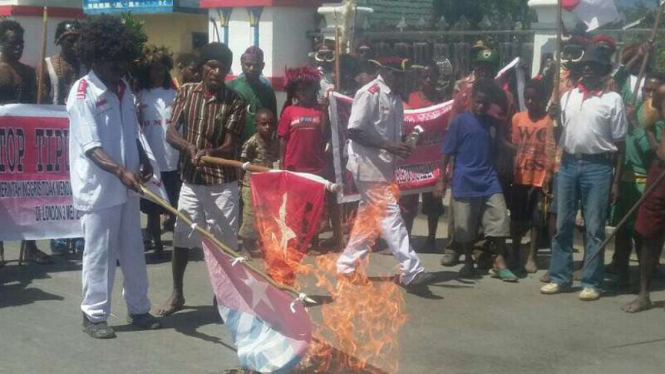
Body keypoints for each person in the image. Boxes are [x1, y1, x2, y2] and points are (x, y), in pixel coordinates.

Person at [68, 15, 162, 339]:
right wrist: (120, 171)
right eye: (113, 60)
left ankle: (139, 309)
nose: (118, 67)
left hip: (128, 186)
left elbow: (132, 133)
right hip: (99, 190)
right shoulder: (83, 93)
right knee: (100, 254)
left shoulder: (124, 89)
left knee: (133, 251)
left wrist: (143, 161)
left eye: (123, 60)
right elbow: (91, 147)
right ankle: (94, 315)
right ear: (96, 57)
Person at [157, 42, 246, 316]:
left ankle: (224, 297)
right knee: (182, 237)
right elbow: (171, 133)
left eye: (222, 68)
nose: (216, 72)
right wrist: (189, 148)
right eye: (211, 66)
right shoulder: (186, 93)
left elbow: (230, 145)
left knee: (224, 244)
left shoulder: (235, 102)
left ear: (228, 71)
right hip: (191, 181)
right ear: (203, 67)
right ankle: (177, 294)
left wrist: (209, 152)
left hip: (222, 184)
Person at [336, 58, 435, 290]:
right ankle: (412, 270)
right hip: (367, 166)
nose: (400, 78)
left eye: (403, 74)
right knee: (391, 215)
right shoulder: (369, 93)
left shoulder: (396, 99)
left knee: (367, 223)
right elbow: (354, 131)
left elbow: (392, 137)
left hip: (383, 167)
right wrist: (388, 146)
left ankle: (346, 266)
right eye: (396, 74)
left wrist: (404, 143)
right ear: (383, 71)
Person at [541, 45, 627, 301]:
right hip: (568, 164)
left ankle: (592, 281)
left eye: (594, 66)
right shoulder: (567, 97)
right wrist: (555, 119)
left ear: (604, 71)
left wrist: (616, 181)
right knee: (563, 223)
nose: (588, 69)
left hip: (599, 167)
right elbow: (559, 137)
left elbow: (621, 145)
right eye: (585, 65)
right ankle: (560, 277)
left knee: (594, 227)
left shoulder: (613, 99)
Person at [434, 79, 518, 282]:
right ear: (472, 100)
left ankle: (499, 261)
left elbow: (499, 143)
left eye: (485, 104)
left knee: (499, 218)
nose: (481, 107)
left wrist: (518, 150)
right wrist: (441, 181)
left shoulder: (492, 123)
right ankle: (469, 261)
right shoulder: (459, 122)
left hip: (488, 180)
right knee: (465, 226)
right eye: (478, 102)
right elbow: (446, 152)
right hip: (464, 180)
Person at [0, 20, 52, 265]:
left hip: (24, 144)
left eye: (21, 43)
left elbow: (36, 106)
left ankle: (30, 246)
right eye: (12, 43)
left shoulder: (30, 73)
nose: (18, 48)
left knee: (28, 196)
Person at [609, 73, 664, 288]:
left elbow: (653, 150)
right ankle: (621, 273)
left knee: (642, 234)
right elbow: (617, 76)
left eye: (653, 90)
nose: (648, 94)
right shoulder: (634, 106)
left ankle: (643, 281)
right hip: (625, 179)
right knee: (622, 232)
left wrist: (635, 123)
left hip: (644, 181)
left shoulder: (658, 115)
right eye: (645, 90)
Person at [278, 66, 341, 249]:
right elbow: (282, 139)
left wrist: (326, 112)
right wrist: (282, 163)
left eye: (306, 88)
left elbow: (324, 136)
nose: (302, 92)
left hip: (316, 168)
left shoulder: (320, 111)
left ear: (314, 88)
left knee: (314, 209)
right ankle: (297, 241)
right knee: (295, 208)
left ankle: (313, 242)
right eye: (298, 89)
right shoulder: (289, 111)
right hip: (294, 167)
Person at [135, 45, 180, 257]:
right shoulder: (140, 96)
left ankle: (179, 243)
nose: (158, 73)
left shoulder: (176, 95)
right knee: (152, 208)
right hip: (150, 159)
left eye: (161, 69)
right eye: (153, 69)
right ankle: (158, 244)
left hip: (172, 159)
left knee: (174, 205)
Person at [508, 79, 555, 273]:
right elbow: (515, 145)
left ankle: (532, 256)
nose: (530, 102)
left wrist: (550, 173)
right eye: (527, 98)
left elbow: (553, 147)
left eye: (534, 99)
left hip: (540, 176)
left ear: (543, 99)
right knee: (517, 218)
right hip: (521, 175)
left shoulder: (550, 120)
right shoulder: (518, 118)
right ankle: (515, 251)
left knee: (537, 219)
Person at [400, 62, 447, 252]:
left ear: (437, 78)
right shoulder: (411, 99)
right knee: (408, 203)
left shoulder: (443, 101)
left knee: (433, 203)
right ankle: (406, 240)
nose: (429, 80)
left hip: (433, 160)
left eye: (432, 76)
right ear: (420, 79)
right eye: (425, 76)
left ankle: (431, 239)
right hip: (413, 160)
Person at [627, 80, 665, 313]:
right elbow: (651, 120)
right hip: (660, 169)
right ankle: (644, 294)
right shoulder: (662, 93)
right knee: (649, 232)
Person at [239, 108, 279, 256]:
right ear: (256, 125)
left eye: (270, 124)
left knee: (266, 215)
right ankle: (245, 247)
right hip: (251, 184)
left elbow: (275, 160)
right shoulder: (252, 142)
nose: (267, 127)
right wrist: (240, 183)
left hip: (267, 185)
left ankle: (262, 244)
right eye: (264, 124)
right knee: (250, 214)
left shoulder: (275, 143)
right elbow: (243, 162)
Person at [227, 46, 277, 143]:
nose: (252, 68)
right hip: (234, 144)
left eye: (256, 65)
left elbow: (273, 122)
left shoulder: (268, 91)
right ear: (241, 64)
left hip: (259, 148)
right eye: (248, 64)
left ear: (262, 66)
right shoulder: (231, 87)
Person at [44, 20, 83, 106]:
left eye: (79, 41)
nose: (76, 45)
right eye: (71, 41)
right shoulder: (46, 66)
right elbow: (42, 100)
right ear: (59, 41)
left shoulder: (87, 67)